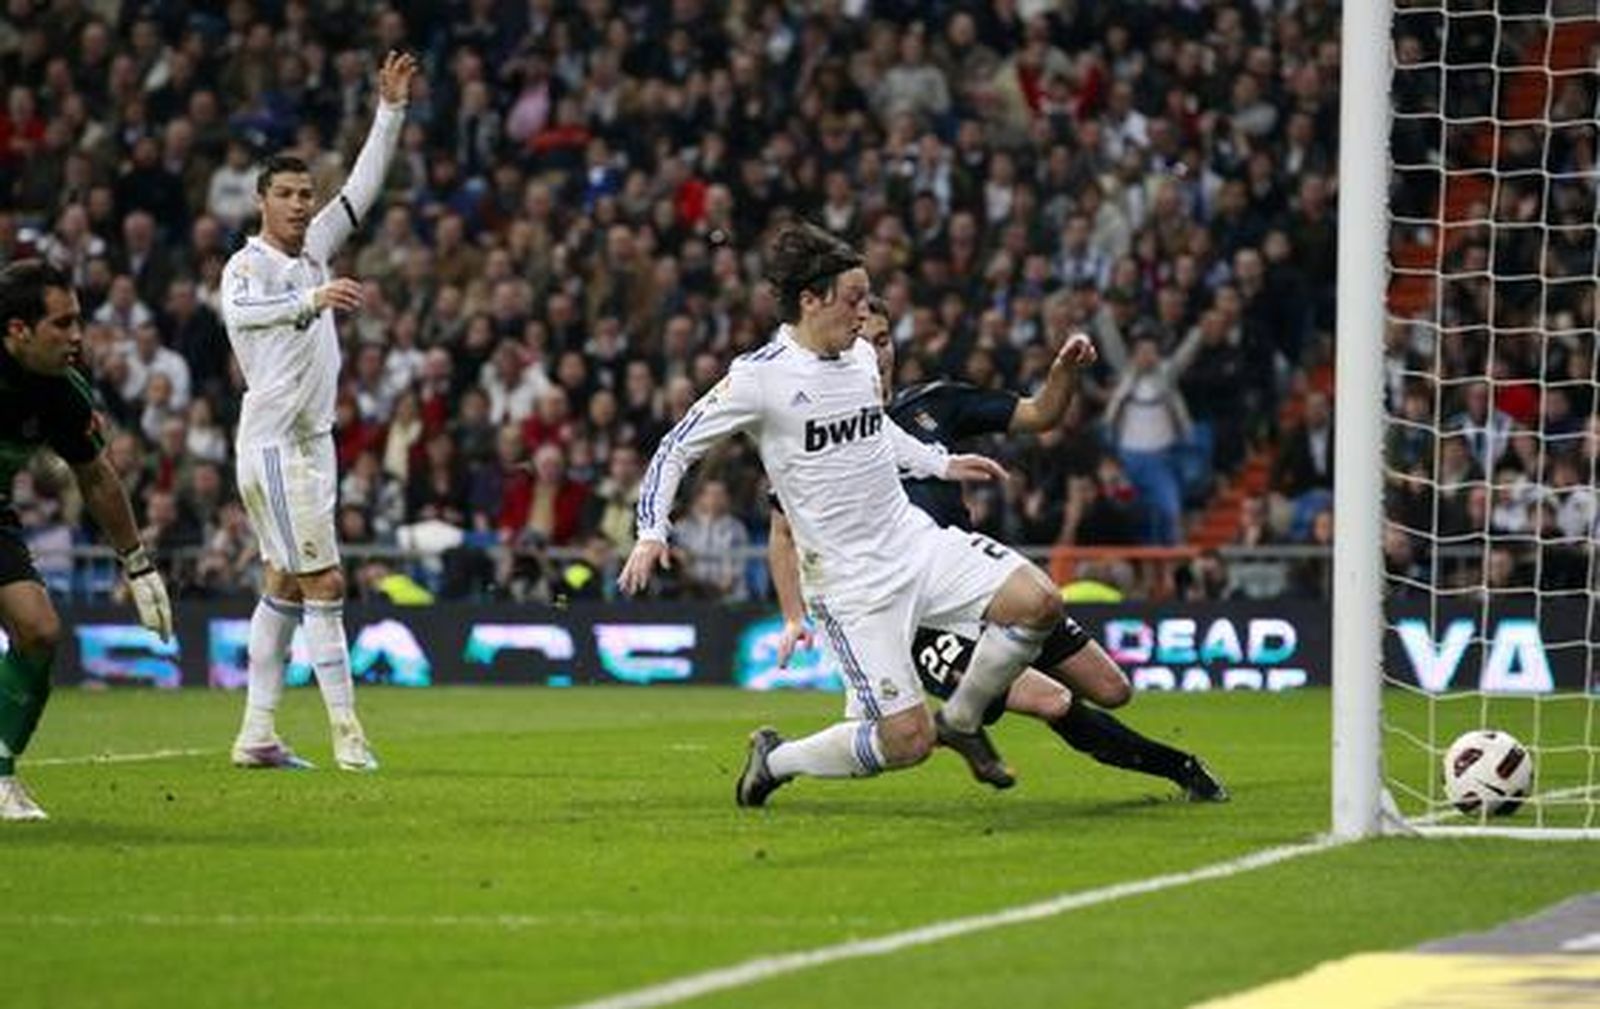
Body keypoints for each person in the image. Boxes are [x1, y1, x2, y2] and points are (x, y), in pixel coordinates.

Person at [620, 222, 1064, 806]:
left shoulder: (857, 357)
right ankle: (775, 759)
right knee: (906, 742)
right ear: (811, 300)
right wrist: (652, 531)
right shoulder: (759, 377)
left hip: (914, 542)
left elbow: (873, 429)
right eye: (853, 299)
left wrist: (939, 463)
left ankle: (961, 717)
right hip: (851, 583)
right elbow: (677, 446)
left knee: (1040, 603)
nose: (865, 316)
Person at [770, 296, 1226, 800]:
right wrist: (795, 615)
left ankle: (948, 726)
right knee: (1050, 700)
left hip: (974, 580)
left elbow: (1039, 414)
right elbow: (782, 530)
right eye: (860, 341)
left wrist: (1064, 373)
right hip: (915, 613)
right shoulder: (819, 426)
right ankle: (1181, 769)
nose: (874, 353)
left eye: (882, 340)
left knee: (1113, 689)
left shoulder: (932, 405)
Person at [219, 51, 418, 772]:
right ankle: (349, 737)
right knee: (325, 583)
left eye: (307, 193)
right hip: (273, 443)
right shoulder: (250, 266)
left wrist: (389, 112)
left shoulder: (318, 250)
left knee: (280, 583)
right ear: (261, 202)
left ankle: (256, 734)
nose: (303, 204)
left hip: (312, 442)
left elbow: (365, 184)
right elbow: (247, 311)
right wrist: (313, 299)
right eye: (289, 194)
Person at [0, 260, 173, 820]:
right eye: (62, 323)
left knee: (39, 631)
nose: (77, 335)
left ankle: (0, 776)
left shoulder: (62, 392)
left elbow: (96, 477)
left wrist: (138, 564)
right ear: (18, 330)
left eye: (78, 320)